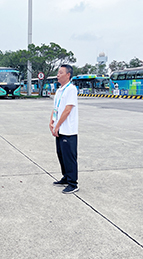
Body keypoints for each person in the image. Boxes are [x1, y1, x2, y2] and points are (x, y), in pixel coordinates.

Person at [50, 64, 79, 194]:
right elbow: (56, 108)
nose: (58, 75)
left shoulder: (71, 89)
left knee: (69, 156)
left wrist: (57, 125)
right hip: (59, 129)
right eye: (58, 72)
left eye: (61, 72)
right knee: (61, 154)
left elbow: (67, 110)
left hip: (68, 130)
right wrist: (51, 121)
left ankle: (73, 183)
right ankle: (66, 177)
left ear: (68, 75)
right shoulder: (59, 90)